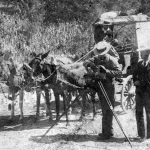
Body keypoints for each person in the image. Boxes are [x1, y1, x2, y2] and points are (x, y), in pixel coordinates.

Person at [83, 42, 122, 140]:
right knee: (104, 110)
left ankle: (107, 133)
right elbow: (85, 62)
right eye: (98, 54)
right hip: (99, 86)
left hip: (109, 87)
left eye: (101, 54)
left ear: (106, 52)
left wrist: (107, 71)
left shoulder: (112, 60)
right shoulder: (96, 59)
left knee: (108, 109)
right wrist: (89, 63)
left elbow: (119, 73)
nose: (99, 56)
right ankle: (107, 132)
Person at [133, 47, 150, 141]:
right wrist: (135, 81)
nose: (141, 54)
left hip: (148, 93)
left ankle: (149, 135)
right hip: (139, 92)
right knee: (139, 113)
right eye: (141, 52)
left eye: (142, 52)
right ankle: (141, 134)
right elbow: (134, 76)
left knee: (149, 113)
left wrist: (142, 82)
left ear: (148, 53)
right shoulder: (139, 64)